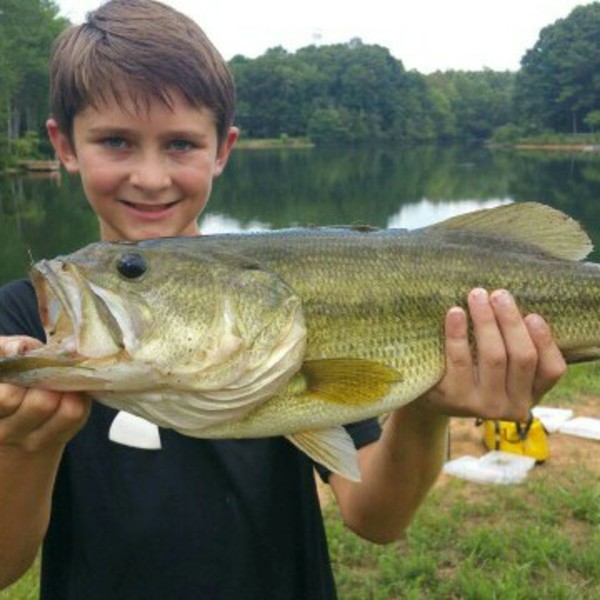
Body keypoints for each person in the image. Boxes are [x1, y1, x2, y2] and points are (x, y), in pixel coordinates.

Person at [0, 1, 567, 598]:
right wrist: (24, 445)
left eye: (181, 144)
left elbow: (376, 517)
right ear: (65, 145)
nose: (150, 176)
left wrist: (426, 408)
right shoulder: (27, 327)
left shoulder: (290, 308)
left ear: (223, 149)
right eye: (115, 141)